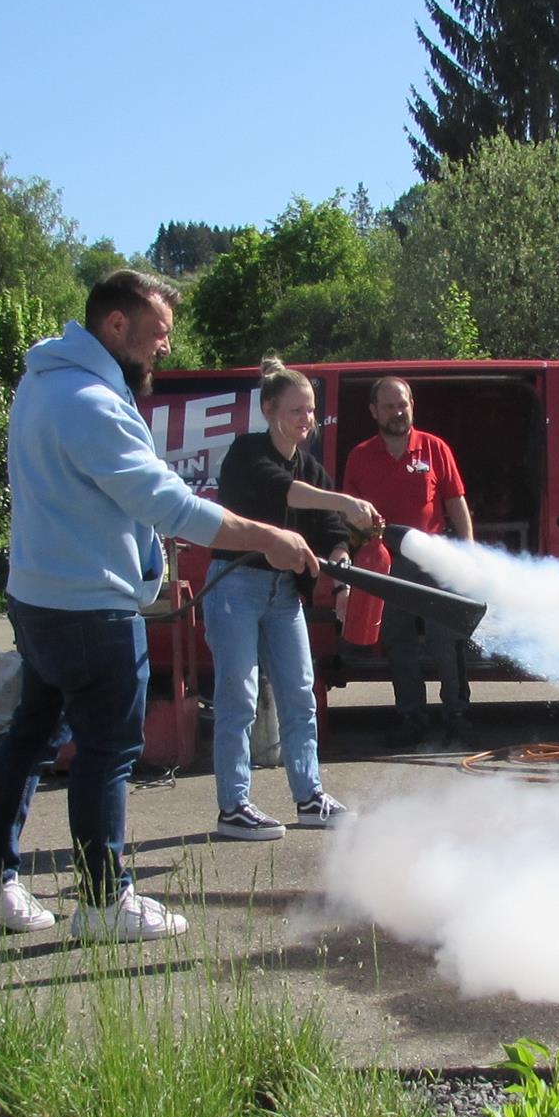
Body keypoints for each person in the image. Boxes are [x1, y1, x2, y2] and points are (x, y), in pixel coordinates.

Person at [0, 270, 318, 942]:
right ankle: (102, 898)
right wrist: (270, 535)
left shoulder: (43, 382)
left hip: (39, 597)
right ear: (114, 326)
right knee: (108, 748)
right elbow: (170, 504)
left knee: (31, 735)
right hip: (89, 609)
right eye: (156, 335)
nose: (163, 350)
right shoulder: (88, 400)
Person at [206, 357, 381, 841]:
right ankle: (234, 806)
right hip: (235, 586)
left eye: (310, 411)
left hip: (284, 594)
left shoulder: (312, 467)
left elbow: (329, 532)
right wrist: (346, 502)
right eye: (296, 410)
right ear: (268, 410)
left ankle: (310, 798)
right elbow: (285, 492)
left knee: (301, 696)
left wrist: (343, 557)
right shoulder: (246, 452)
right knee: (238, 699)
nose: (305, 419)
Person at [339, 376, 474, 749]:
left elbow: (455, 502)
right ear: (373, 411)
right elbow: (347, 514)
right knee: (398, 641)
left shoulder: (435, 448)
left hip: (434, 559)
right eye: (388, 406)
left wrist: (469, 554)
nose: (397, 412)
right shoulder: (360, 455)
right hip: (387, 561)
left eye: (402, 404)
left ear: (411, 404)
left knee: (446, 639)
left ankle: (456, 715)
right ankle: (411, 716)